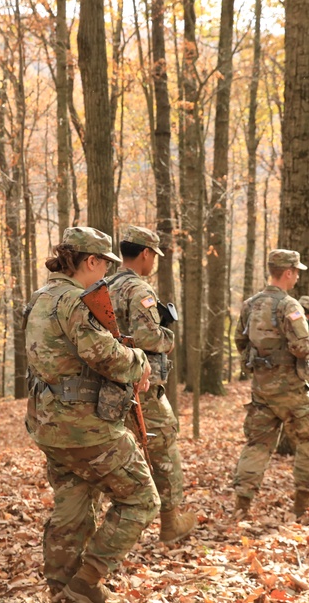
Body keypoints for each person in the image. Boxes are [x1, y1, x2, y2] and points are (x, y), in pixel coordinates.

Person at [25, 226, 159, 603]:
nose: (106, 275)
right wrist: (139, 362)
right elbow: (103, 354)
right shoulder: (73, 300)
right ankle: (86, 581)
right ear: (91, 261)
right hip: (85, 427)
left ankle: (62, 590)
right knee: (142, 499)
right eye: (104, 266)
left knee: (72, 506)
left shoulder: (40, 298)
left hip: (49, 424)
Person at [107, 225, 196, 544]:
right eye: (154, 255)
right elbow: (146, 337)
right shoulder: (138, 289)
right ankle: (170, 522)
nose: (154, 262)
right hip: (140, 385)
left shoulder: (104, 285)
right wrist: (168, 337)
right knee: (164, 444)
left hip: (107, 385)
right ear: (144, 254)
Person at [233, 249, 309, 520]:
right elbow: (301, 348)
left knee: (257, 444)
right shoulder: (290, 306)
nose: (297, 277)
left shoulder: (250, 304)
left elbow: (240, 341)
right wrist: (308, 339)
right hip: (290, 390)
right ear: (287, 272)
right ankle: (302, 503)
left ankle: (242, 506)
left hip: (261, 388)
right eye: (296, 272)